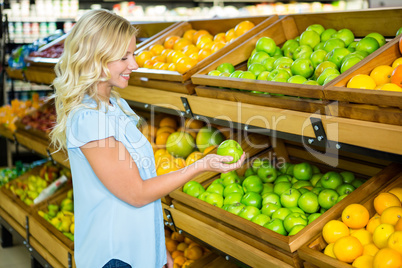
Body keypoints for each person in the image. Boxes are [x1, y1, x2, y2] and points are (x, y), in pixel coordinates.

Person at [50, 9, 245, 268]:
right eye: (124, 57)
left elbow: (143, 178)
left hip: (137, 250)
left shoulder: (116, 104)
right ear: (95, 59)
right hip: (115, 256)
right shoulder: (89, 120)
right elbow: (137, 193)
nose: (134, 65)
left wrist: (156, 247)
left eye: (133, 54)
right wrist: (202, 165)